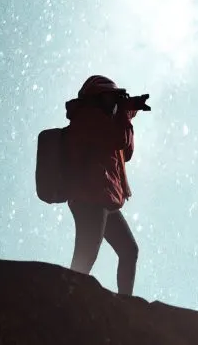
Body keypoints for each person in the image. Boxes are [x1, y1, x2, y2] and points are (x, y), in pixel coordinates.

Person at [62, 74, 148, 295]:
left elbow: (124, 152)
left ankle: (124, 305)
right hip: (89, 194)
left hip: (103, 195)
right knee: (87, 250)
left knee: (129, 250)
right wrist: (124, 113)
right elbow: (120, 139)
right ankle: (67, 299)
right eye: (110, 98)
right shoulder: (88, 117)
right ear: (97, 98)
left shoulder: (103, 118)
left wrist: (127, 109)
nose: (114, 104)